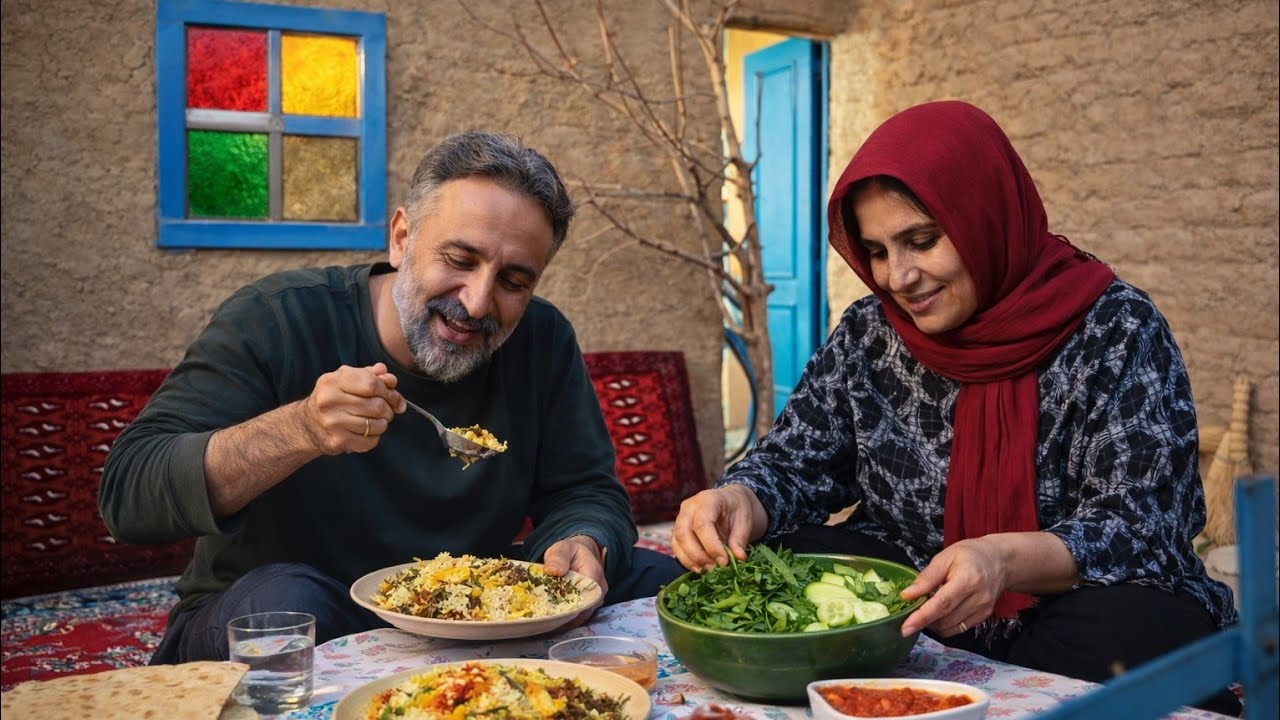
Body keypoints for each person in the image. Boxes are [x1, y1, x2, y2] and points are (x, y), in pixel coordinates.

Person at [672, 101, 1240, 715]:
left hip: (1065, 601)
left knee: (1144, 632)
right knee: (775, 564)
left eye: (921, 240)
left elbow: (1144, 522)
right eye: (878, 251)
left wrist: (1001, 560)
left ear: (986, 217)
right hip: (912, 590)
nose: (898, 276)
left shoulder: (1116, 329)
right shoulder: (873, 333)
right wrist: (739, 500)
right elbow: (795, 464)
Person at [100, 130, 685, 664]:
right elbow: (128, 494)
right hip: (272, 615)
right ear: (403, 238)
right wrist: (298, 430)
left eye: (513, 281)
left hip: (461, 618)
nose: (478, 303)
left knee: (667, 578)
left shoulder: (542, 339)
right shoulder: (276, 319)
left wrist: (580, 542)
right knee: (291, 598)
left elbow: (585, 491)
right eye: (460, 260)